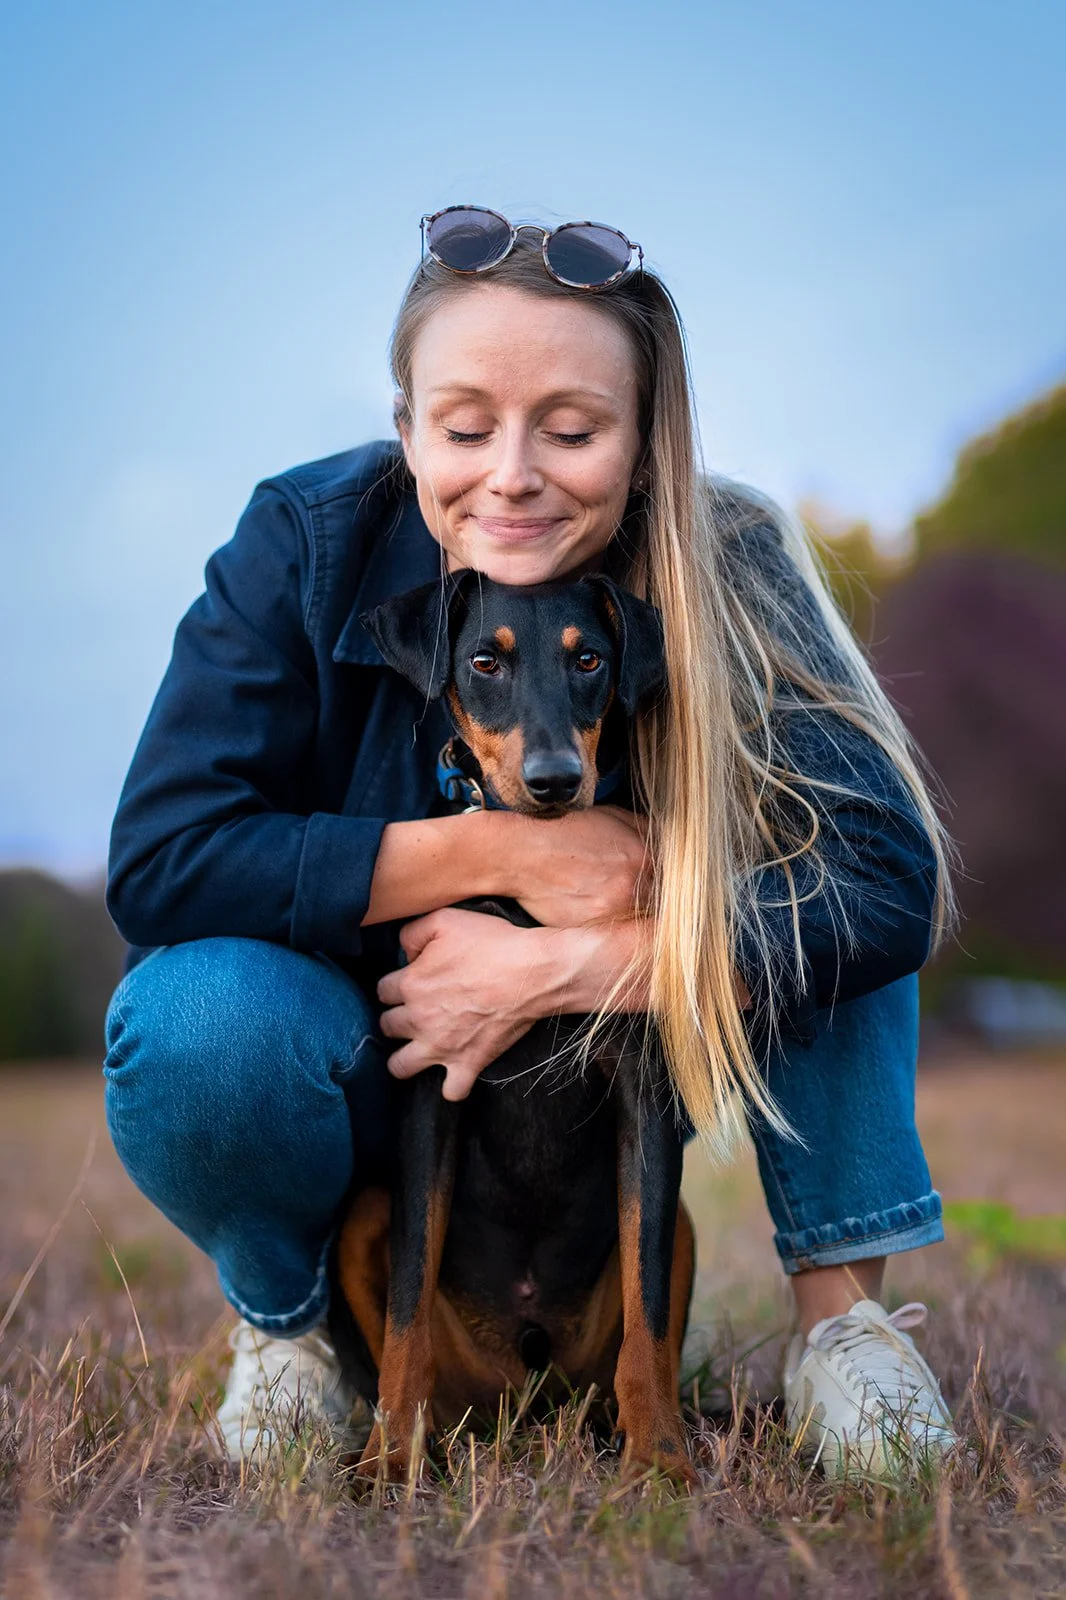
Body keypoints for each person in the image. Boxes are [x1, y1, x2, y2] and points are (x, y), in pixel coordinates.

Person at [103, 207, 959, 1479]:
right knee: (198, 1016)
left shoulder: (726, 560)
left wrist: (572, 962)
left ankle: (844, 1332)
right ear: (405, 430)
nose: (512, 473)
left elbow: (891, 879)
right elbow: (165, 858)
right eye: (462, 427)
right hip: (380, 1052)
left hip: (642, 1036)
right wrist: (498, 856)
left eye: (570, 429)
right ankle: (291, 1336)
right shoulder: (301, 543)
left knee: (822, 871)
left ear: (646, 442)